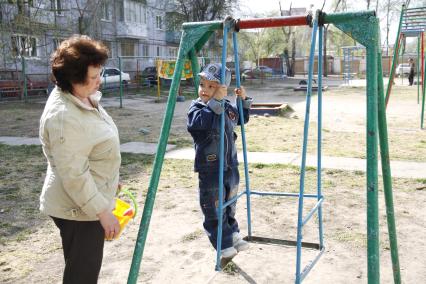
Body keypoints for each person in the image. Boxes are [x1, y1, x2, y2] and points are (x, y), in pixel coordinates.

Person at [39, 35, 121, 283]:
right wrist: (102, 212)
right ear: (74, 79)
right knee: (82, 276)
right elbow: (74, 175)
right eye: (94, 77)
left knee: (83, 270)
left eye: (100, 73)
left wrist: (109, 179)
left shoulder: (81, 96)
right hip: (79, 210)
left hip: (87, 201)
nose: (100, 81)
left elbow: (91, 150)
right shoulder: (64, 117)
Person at [187, 63, 252, 260]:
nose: (204, 90)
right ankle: (221, 244)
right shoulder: (197, 108)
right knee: (214, 207)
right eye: (202, 84)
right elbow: (198, 125)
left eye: (211, 86)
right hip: (210, 167)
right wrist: (214, 102)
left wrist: (243, 100)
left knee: (230, 203)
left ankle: (232, 235)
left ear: (223, 89)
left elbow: (241, 119)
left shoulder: (226, 107)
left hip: (230, 165)